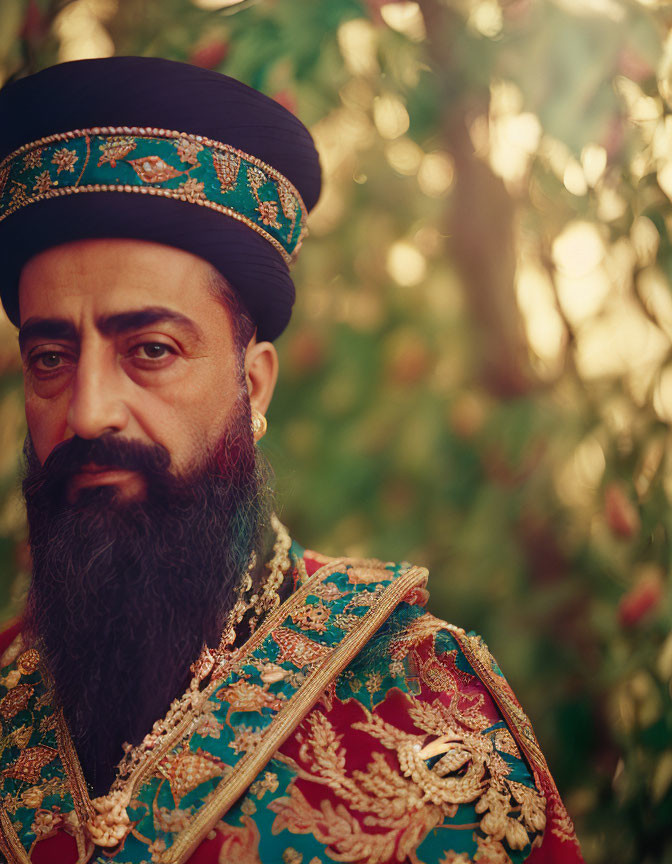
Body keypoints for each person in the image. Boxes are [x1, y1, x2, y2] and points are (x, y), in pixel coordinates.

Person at [0, 57, 584, 864]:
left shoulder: (425, 711)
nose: (89, 408)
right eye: (52, 358)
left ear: (253, 383)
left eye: (152, 349)